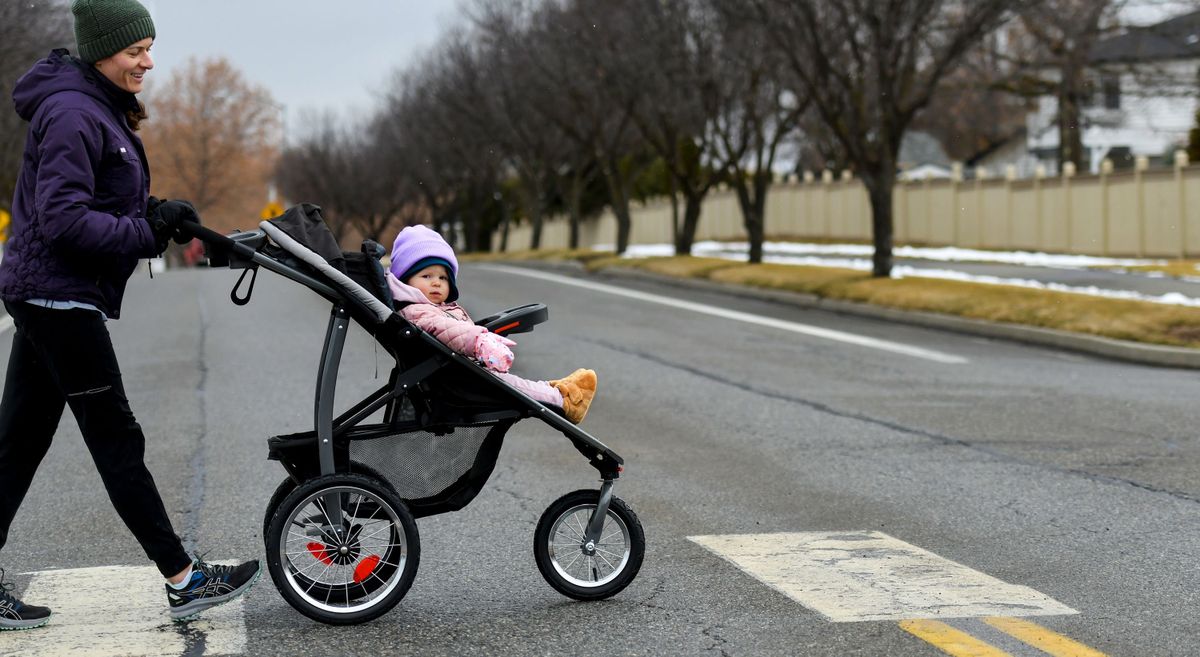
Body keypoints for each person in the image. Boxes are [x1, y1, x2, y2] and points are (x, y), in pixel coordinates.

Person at [0, 0, 259, 631]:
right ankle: (182, 577)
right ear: (100, 51)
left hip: (46, 293)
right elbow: (64, 221)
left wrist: (156, 211)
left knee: (17, 445)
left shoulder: (91, 104)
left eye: (150, 46)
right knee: (116, 439)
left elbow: (95, 195)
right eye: (134, 50)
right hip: (57, 297)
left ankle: (179, 574)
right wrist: (145, 231)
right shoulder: (71, 111)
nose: (148, 60)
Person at [387, 225, 598, 423]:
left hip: (459, 372)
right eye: (426, 275)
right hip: (458, 379)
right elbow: (448, 330)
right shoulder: (417, 311)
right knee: (513, 387)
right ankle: (565, 400)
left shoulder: (433, 307)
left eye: (443, 277)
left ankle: (556, 391)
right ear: (405, 280)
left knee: (515, 384)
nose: (437, 282)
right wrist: (479, 341)